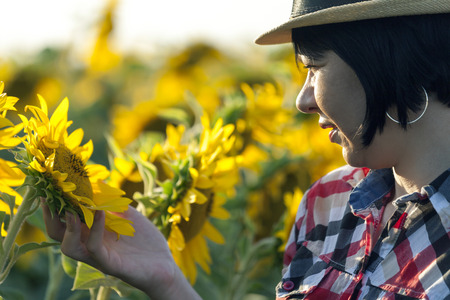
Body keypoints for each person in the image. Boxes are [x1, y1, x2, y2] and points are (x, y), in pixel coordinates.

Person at [43, 0, 450, 299]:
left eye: (313, 67)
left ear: (389, 61)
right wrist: (165, 278)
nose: (303, 101)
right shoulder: (328, 202)